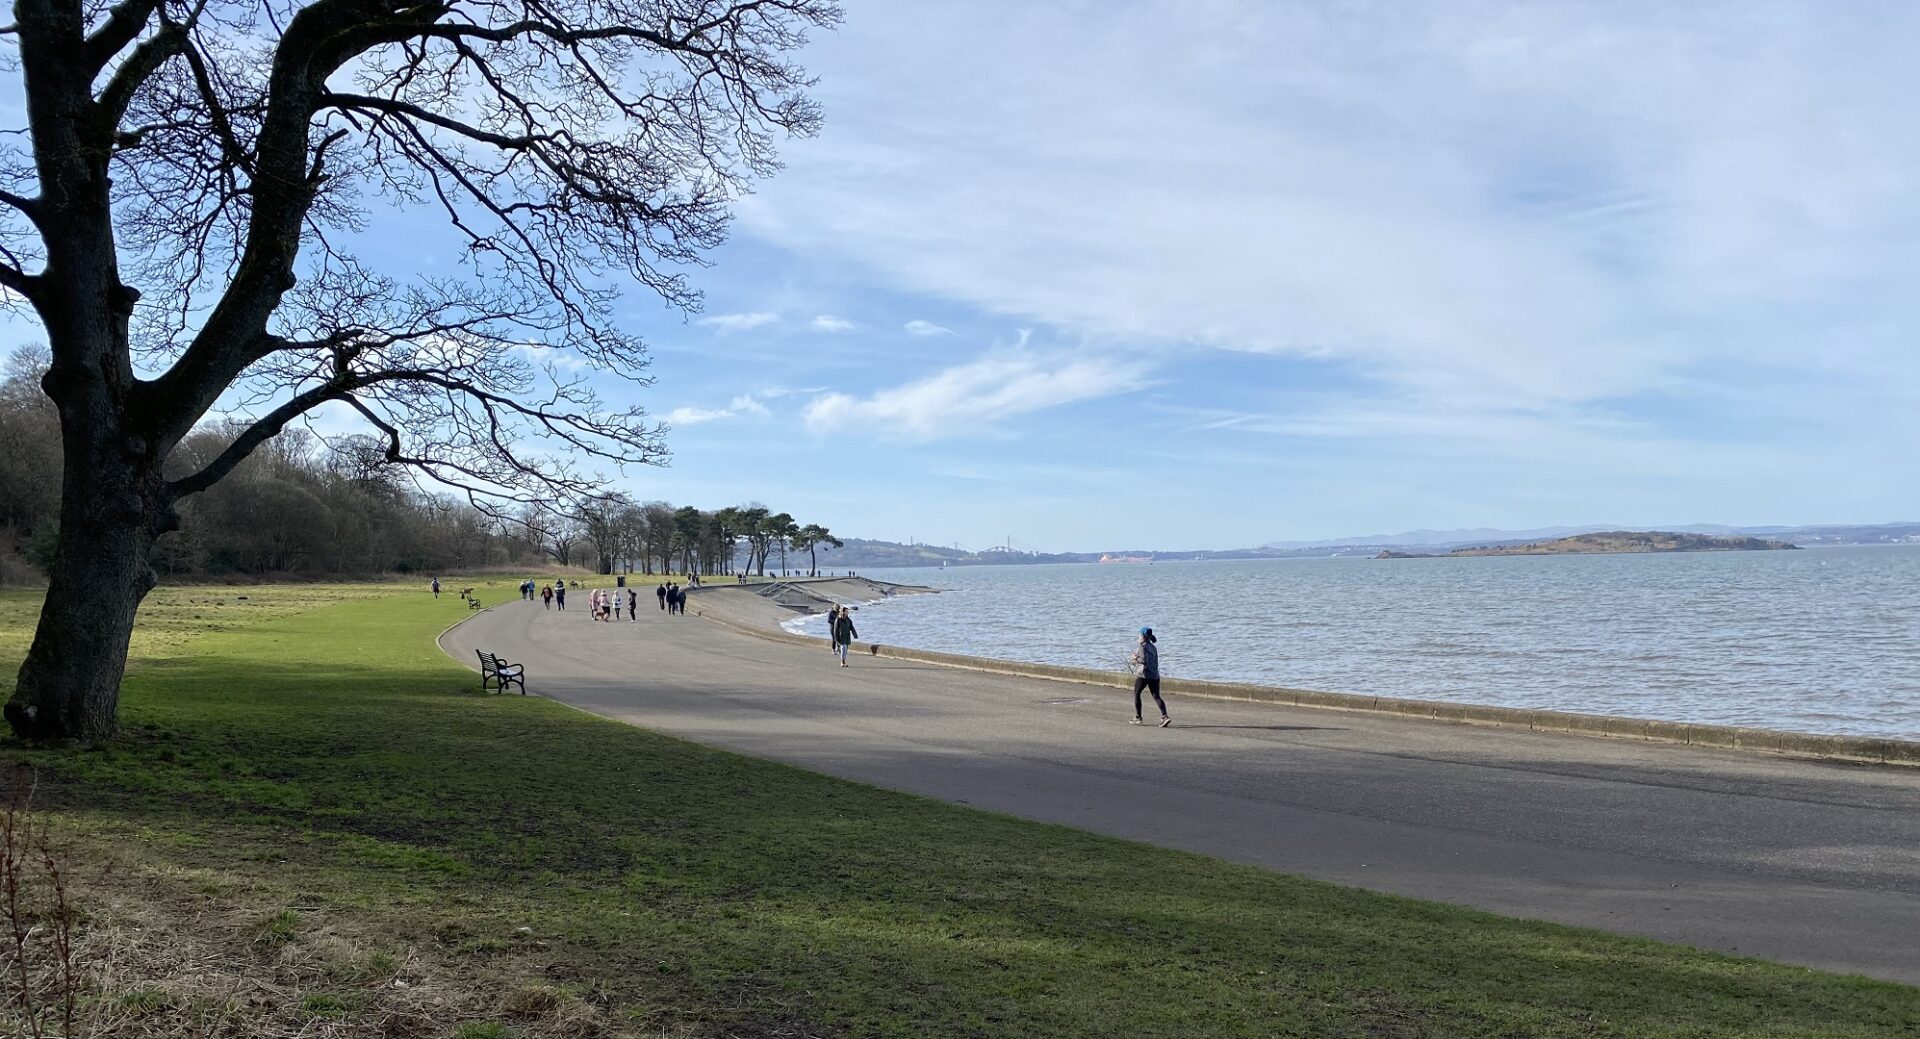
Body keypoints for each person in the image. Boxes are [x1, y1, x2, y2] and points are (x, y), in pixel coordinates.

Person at [1128, 627, 1170, 727]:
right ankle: (1165, 716)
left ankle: (1138, 717)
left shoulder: (1142, 647)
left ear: (1142, 636)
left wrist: (1134, 658)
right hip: (1155, 675)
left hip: (1144, 674)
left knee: (1137, 693)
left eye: (1139, 635)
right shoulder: (1153, 647)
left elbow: (1142, 661)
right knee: (1156, 696)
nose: (1138, 637)